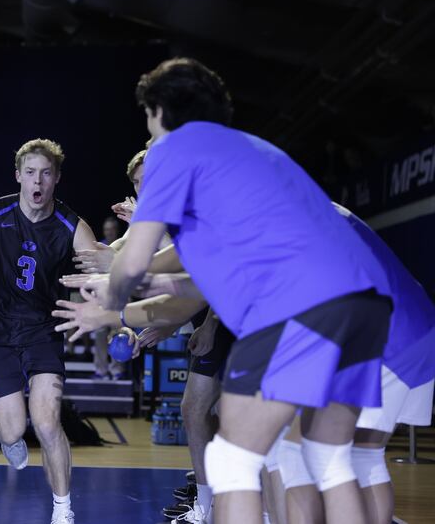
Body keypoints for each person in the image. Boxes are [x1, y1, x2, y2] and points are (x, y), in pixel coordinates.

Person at [100, 58, 392, 524]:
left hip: (299, 309)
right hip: (364, 304)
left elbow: (135, 263)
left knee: (236, 459)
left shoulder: (176, 153)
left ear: (160, 110)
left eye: (149, 117)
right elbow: (198, 271)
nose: (150, 130)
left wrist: (109, 303)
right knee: (323, 459)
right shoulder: (256, 151)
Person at [0, 138, 98, 524]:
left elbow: (100, 280)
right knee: (11, 431)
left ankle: (63, 510)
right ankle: (7, 438)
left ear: (57, 178)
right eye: (30, 172)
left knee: (47, 421)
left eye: (46, 173)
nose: (38, 181)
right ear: (18, 176)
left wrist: (110, 320)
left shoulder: (73, 227)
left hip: (44, 331)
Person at [271, 204, 435, 524]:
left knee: (295, 454)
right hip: (417, 329)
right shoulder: (317, 208)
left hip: (389, 337)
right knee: (364, 454)